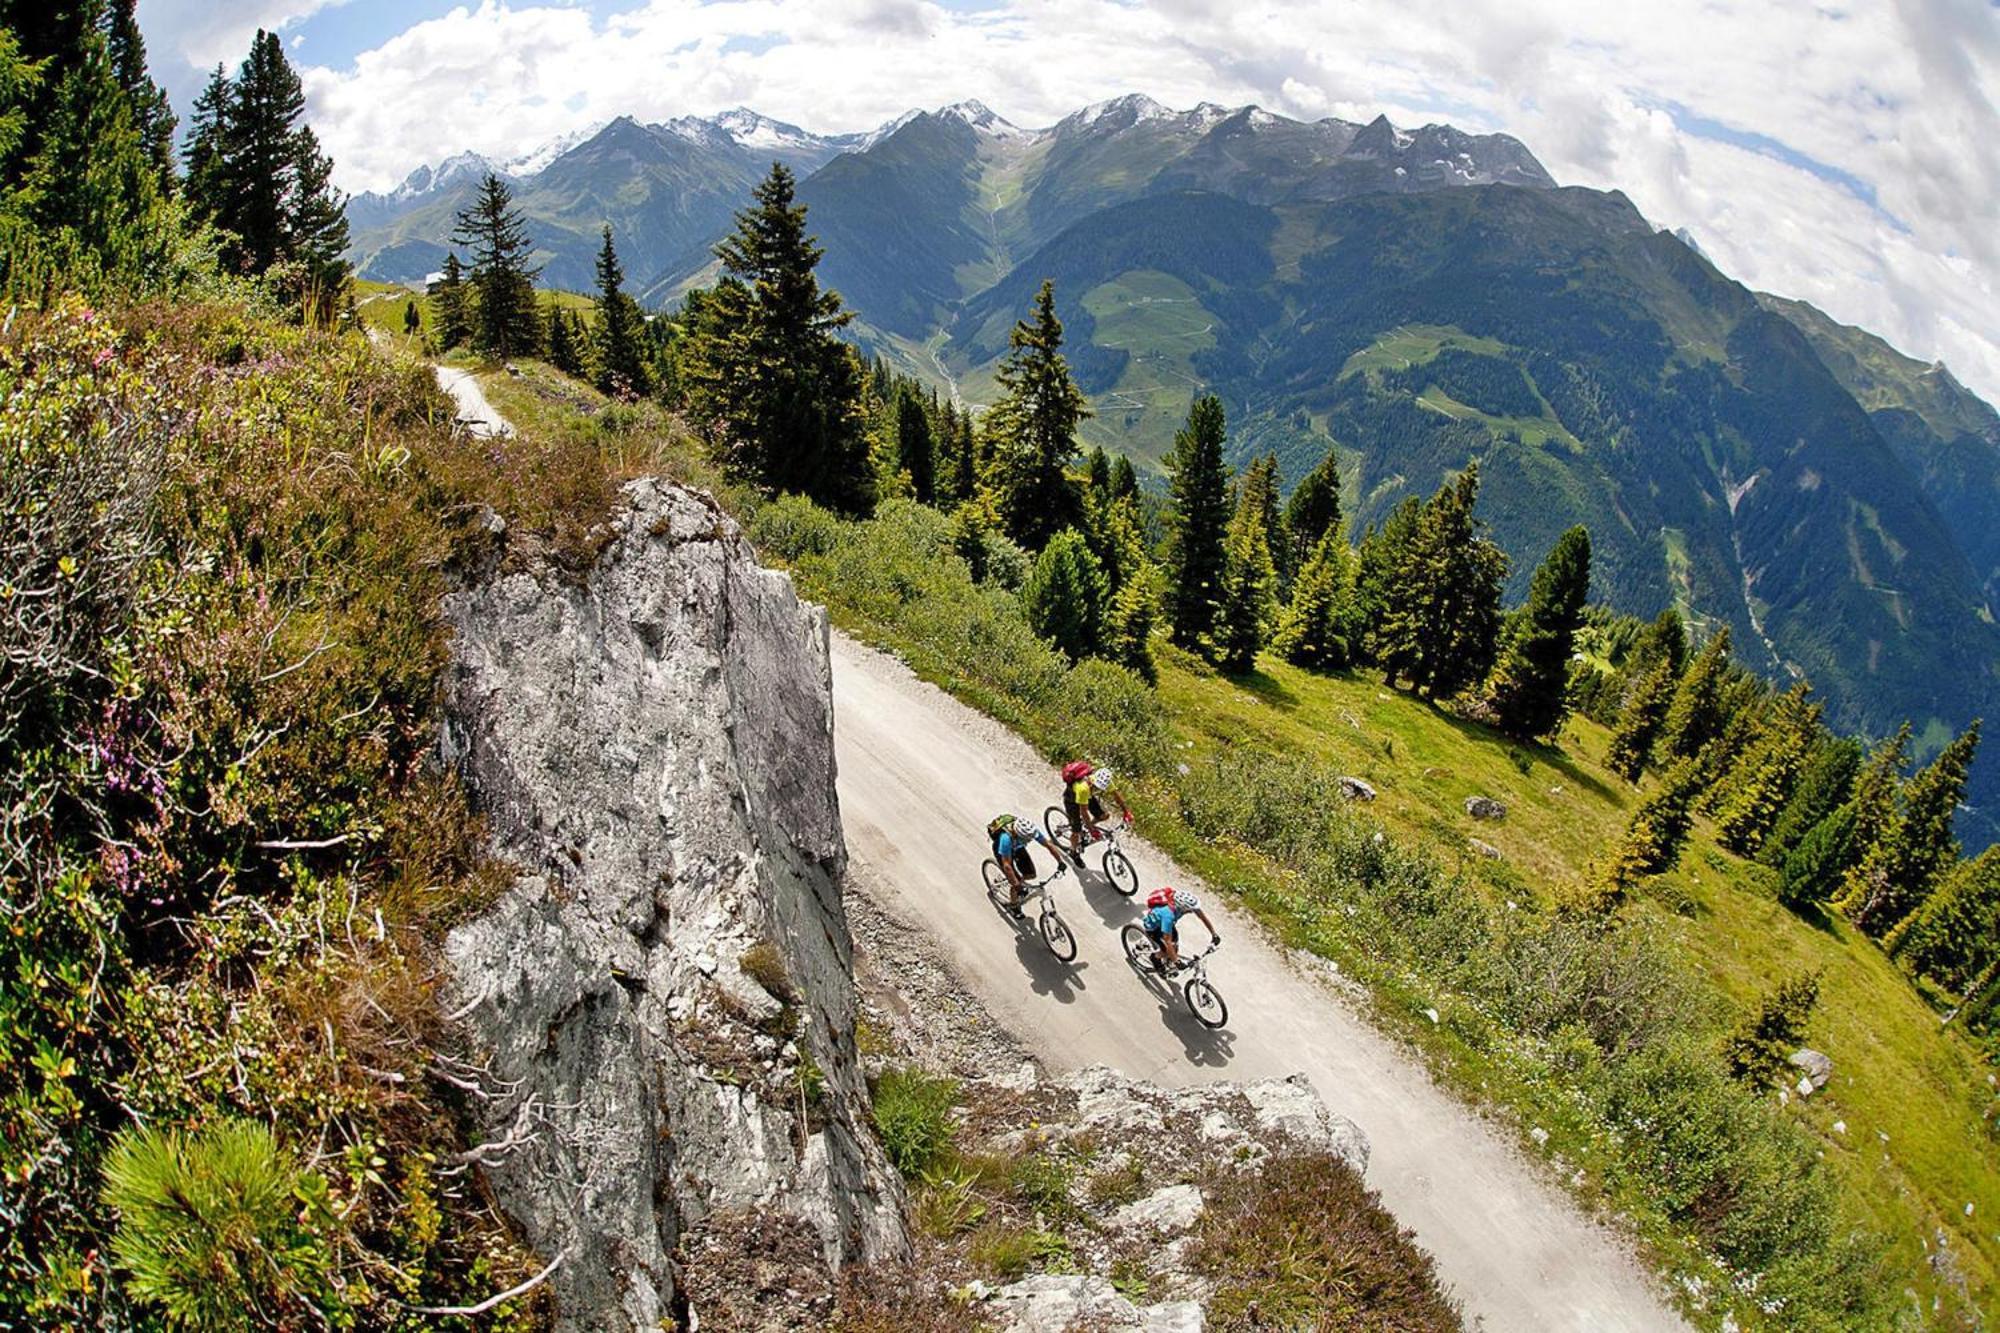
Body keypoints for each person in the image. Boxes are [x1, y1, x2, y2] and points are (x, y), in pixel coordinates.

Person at [1061, 762, 1133, 859]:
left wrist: (1126, 812)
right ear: (1093, 780)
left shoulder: (1106, 781)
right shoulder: (1083, 788)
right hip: (1071, 800)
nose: (1097, 788)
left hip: (1087, 797)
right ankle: (1073, 852)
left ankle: (1086, 826)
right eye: (1096, 786)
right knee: (1076, 831)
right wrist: (1092, 830)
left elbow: (1116, 795)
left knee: (1104, 816)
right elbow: (1084, 812)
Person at [1141, 886, 1218, 973]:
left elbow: (1203, 918)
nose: (1193, 911)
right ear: (1183, 908)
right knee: (1167, 950)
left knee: (1175, 945)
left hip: (1165, 924)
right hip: (1154, 928)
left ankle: (1169, 959)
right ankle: (1154, 957)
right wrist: (1176, 961)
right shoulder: (1168, 916)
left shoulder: (1182, 906)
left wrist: (1214, 934)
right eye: (1191, 910)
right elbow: (1168, 941)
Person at [988, 814, 1052, 916]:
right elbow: (1007, 866)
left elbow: (1048, 845)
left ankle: (1020, 885)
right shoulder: (1005, 839)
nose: (1029, 841)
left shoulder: (1030, 830)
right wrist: (1017, 885)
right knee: (1015, 883)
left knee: (1031, 874)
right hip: (1003, 851)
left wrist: (1060, 863)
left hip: (1017, 847)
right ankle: (1014, 906)